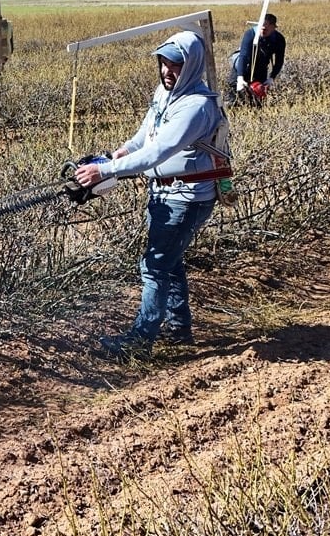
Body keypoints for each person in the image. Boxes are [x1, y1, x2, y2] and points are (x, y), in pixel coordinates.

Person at [73, 30, 228, 361]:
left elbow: (159, 151)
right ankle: (178, 331)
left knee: (155, 267)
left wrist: (106, 172)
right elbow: (146, 135)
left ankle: (140, 342)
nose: (166, 72)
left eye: (174, 65)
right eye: (163, 63)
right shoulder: (165, 92)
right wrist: (122, 152)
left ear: (190, 66)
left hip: (185, 198)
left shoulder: (196, 106)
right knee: (169, 263)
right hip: (164, 193)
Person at [231, 13, 285, 106]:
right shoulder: (250, 34)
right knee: (234, 99)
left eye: (266, 30)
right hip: (243, 66)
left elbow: (279, 60)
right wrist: (240, 78)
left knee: (257, 98)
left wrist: (272, 77)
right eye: (262, 28)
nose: (263, 31)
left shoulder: (279, 39)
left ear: (273, 27)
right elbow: (243, 56)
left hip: (261, 67)